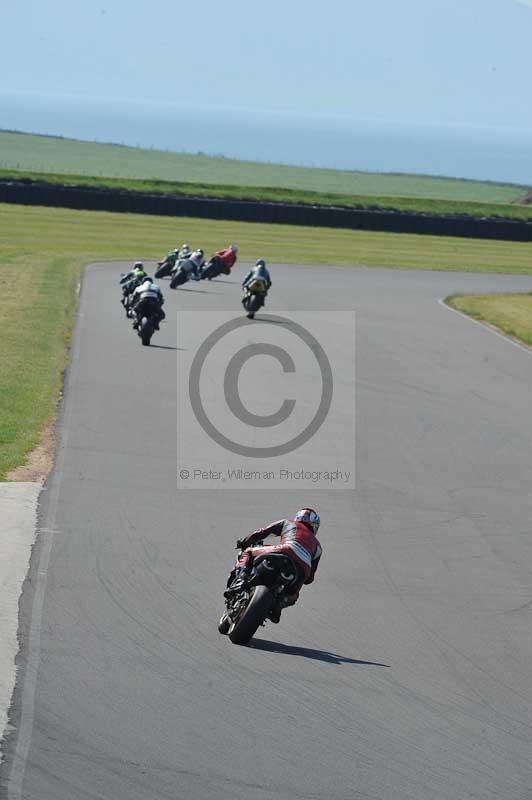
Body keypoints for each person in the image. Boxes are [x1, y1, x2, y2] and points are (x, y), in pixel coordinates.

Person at [225, 508, 322, 623]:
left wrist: (244, 541)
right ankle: (279, 605)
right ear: (315, 526)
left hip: (284, 550)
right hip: (304, 568)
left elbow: (262, 532)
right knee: (294, 593)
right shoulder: (318, 547)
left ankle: (240, 581)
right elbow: (309, 579)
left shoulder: (288, 523)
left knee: (249, 552)